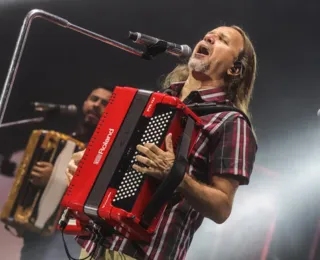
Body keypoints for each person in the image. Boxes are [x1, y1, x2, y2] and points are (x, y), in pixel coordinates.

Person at [66, 25, 258, 260]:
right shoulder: (159, 100)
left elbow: (222, 208)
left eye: (222, 40)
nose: (209, 37)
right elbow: (117, 155)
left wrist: (175, 175)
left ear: (235, 69)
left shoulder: (232, 122)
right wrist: (86, 164)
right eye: (208, 34)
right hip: (96, 241)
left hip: (148, 253)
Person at [19, 87, 112, 260]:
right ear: (85, 102)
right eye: (94, 99)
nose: (96, 105)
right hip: (38, 235)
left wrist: (53, 179)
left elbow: (95, 193)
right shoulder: (67, 140)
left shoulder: (106, 150)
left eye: (105, 103)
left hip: (70, 238)